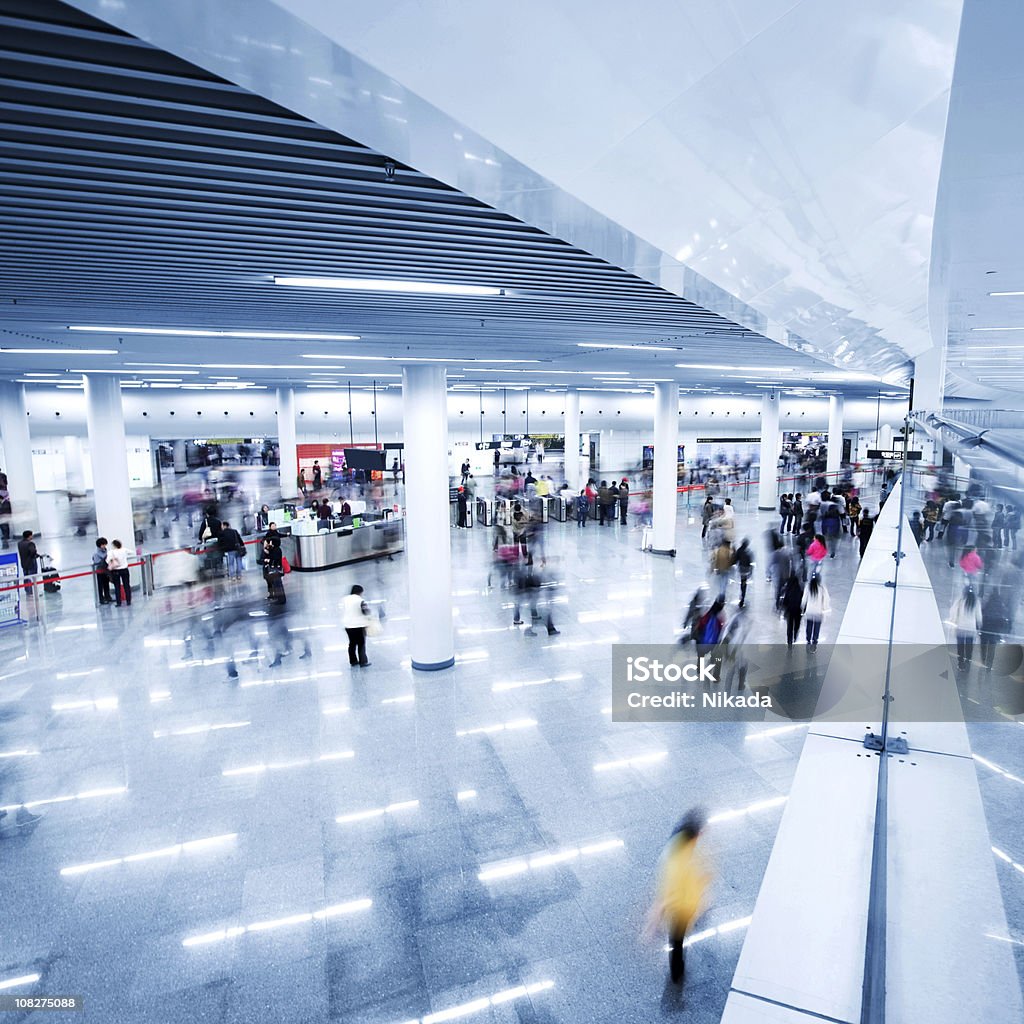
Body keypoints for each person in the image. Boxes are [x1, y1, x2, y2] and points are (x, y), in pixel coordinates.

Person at [647, 811, 711, 985]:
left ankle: (677, 969)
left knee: (678, 938)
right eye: (702, 830)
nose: (705, 832)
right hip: (681, 908)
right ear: (695, 833)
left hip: (687, 903)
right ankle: (676, 972)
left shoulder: (681, 844)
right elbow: (669, 890)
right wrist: (656, 918)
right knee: (677, 940)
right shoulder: (678, 860)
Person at [979, 585, 1013, 672]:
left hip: (985, 629)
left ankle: (983, 660)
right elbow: (1004, 616)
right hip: (994, 631)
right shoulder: (1000, 604)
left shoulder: (987, 603)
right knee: (992, 649)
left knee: (983, 646)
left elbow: (982, 613)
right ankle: (989, 665)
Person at [949, 585, 981, 672]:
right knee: (969, 645)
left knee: (960, 646)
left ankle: (961, 663)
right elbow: (979, 616)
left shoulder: (960, 601)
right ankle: (968, 660)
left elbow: (952, 611)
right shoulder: (976, 601)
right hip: (971, 628)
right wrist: (979, 625)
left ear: (964, 592)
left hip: (961, 627)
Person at [342, 584, 372, 667]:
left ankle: (353, 661)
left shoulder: (345, 599)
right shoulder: (360, 600)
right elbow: (365, 611)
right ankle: (363, 662)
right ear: (360, 592)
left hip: (348, 625)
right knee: (361, 644)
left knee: (352, 644)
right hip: (359, 625)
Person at [802, 574, 830, 649]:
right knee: (816, 628)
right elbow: (826, 599)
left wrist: (802, 607)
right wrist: (824, 608)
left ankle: (808, 640)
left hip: (809, 611)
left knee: (809, 626)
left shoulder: (808, 586)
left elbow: (804, 598)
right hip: (818, 611)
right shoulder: (822, 588)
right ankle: (814, 641)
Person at [106, 539, 131, 606]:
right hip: (125, 569)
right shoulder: (124, 550)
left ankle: (119, 602)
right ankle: (128, 601)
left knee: (117, 587)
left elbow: (107, 560)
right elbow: (132, 552)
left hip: (115, 571)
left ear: (114, 545)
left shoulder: (111, 552)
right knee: (127, 585)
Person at [781, 574, 804, 647]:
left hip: (790, 611)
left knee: (790, 626)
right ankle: (795, 636)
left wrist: (784, 609)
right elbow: (803, 602)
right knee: (796, 625)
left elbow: (785, 602)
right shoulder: (800, 591)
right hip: (797, 611)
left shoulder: (788, 590)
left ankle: (789, 640)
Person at [262, 535, 285, 601]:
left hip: (275, 570)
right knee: (276, 584)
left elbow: (275, 560)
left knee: (278, 585)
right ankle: (278, 597)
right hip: (274, 570)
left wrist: (268, 560)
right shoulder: (273, 549)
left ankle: (280, 599)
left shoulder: (276, 550)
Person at [92, 537, 111, 604]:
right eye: (103, 545)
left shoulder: (106, 551)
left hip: (106, 570)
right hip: (100, 571)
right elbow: (97, 562)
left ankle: (108, 596)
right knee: (100, 586)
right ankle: (101, 599)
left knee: (106, 584)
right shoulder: (96, 554)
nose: (104, 546)